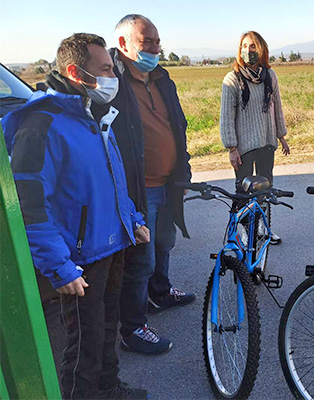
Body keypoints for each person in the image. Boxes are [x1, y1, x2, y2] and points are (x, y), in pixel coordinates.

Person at [2, 33, 150, 399]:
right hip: (80, 259)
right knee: (83, 345)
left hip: (111, 245)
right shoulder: (41, 124)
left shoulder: (92, 114)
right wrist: (59, 266)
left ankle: (108, 387)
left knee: (107, 328)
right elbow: (30, 204)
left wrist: (131, 220)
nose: (113, 76)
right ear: (75, 72)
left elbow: (109, 179)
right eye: (106, 69)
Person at [109, 14, 196, 355]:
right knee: (139, 262)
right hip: (137, 190)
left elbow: (178, 126)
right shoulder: (111, 83)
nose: (156, 49)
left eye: (158, 42)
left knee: (163, 244)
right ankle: (132, 329)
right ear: (124, 44)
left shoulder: (163, 78)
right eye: (148, 42)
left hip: (168, 183)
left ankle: (160, 293)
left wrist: (183, 172)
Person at [220, 31, 290, 244]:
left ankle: (261, 226)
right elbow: (227, 116)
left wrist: (281, 135)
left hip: (266, 141)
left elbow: (277, 107)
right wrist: (232, 148)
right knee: (243, 189)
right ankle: (241, 229)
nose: (248, 50)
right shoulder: (232, 79)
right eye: (244, 46)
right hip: (243, 145)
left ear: (261, 49)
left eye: (252, 46)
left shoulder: (270, 76)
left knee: (265, 186)